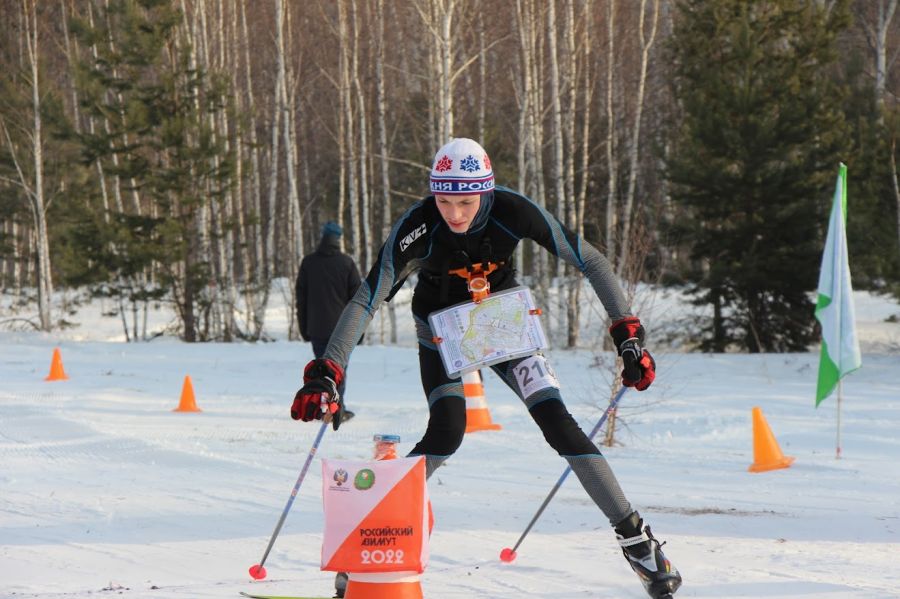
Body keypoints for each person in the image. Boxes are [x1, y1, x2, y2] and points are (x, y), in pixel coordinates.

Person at [291, 138, 681, 599]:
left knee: (559, 424)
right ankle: (367, 541)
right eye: (444, 200)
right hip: (438, 326)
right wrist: (328, 370)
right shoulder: (418, 225)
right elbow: (367, 296)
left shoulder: (513, 210)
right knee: (447, 433)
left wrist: (627, 333)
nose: (454, 213)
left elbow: (590, 260)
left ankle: (637, 541)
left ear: (486, 192)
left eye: (466, 201)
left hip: (499, 321)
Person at [295, 221, 361, 423]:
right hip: (343, 330)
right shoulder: (347, 263)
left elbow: (301, 299)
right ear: (338, 239)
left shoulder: (309, 263)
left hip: (317, 327)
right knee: (339, 371)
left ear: (322, 237)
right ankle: (336, 409)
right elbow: (358, 300)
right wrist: (358, 330)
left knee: (321, 371)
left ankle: (320, 408)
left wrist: (304, 327)